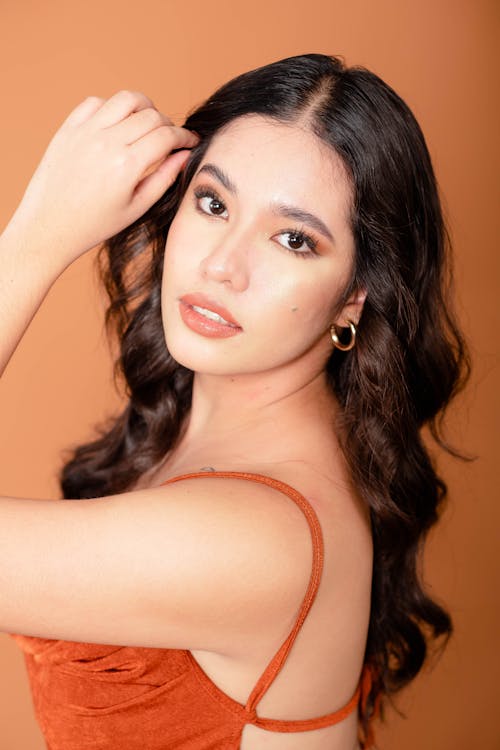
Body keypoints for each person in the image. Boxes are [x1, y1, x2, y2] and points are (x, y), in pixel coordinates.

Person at [0, 53, 469, 749]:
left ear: (353, 297)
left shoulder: (255, 536)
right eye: (214, 202)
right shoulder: (224, 444)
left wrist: (36, 239)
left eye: (294, 239)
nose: (222, 265)